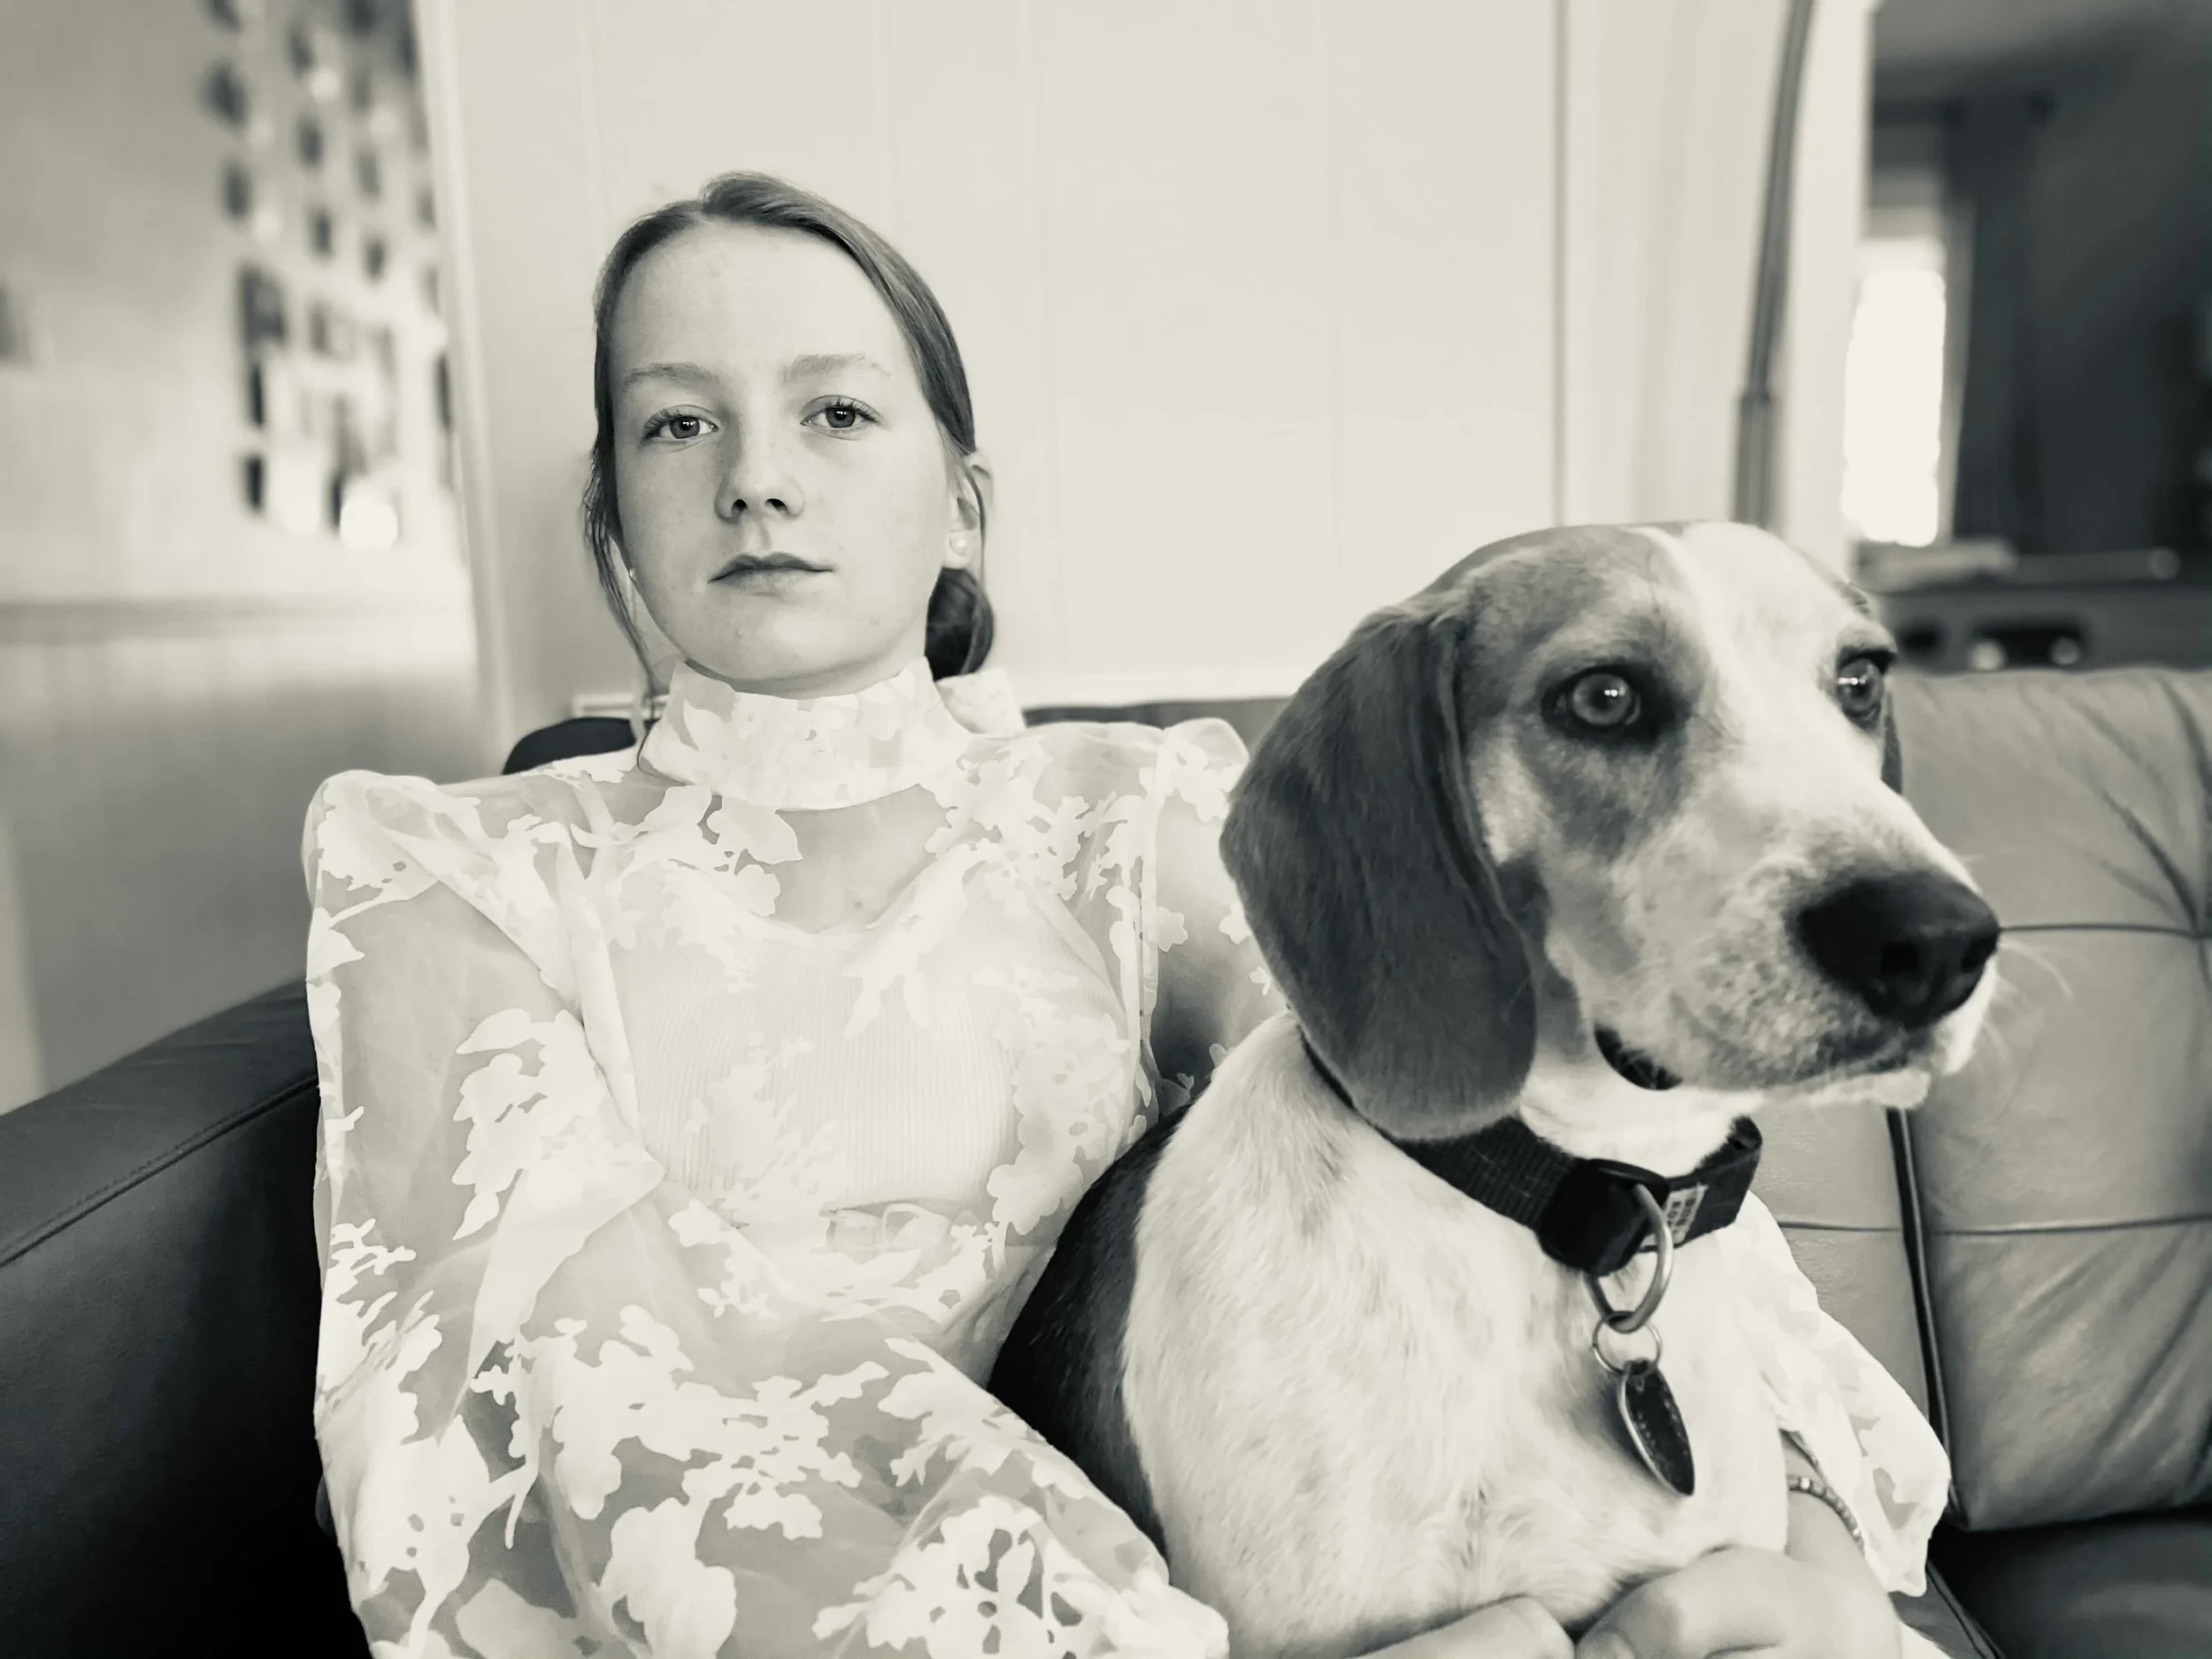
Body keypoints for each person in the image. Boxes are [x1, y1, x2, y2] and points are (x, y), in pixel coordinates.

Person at [302, 173, 1953, 1659]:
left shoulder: (1129, 809)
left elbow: (1477, 1137)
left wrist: (1798, 1530)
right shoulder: (456, 870)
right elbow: (537, 1387)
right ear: (611, 517)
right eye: (677, 425)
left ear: (961, 499)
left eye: (838, 414)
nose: (756, 483)